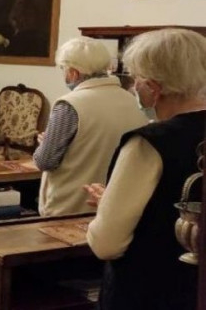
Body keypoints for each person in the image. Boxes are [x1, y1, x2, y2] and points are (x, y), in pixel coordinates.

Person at [86, 28, 206, 309]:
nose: (133, 86)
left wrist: (106, 208)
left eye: (135, 78)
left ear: (153, 87)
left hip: (151, 288)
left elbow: (107, 243)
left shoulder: (148, 144)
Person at [34, 37, 146, 217]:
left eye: (63, 69)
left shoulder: (69, 105)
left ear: (73, 73)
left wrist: (45, 144)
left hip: (71, 205)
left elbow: (45, 161)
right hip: (114, 206)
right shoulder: (133, 101)